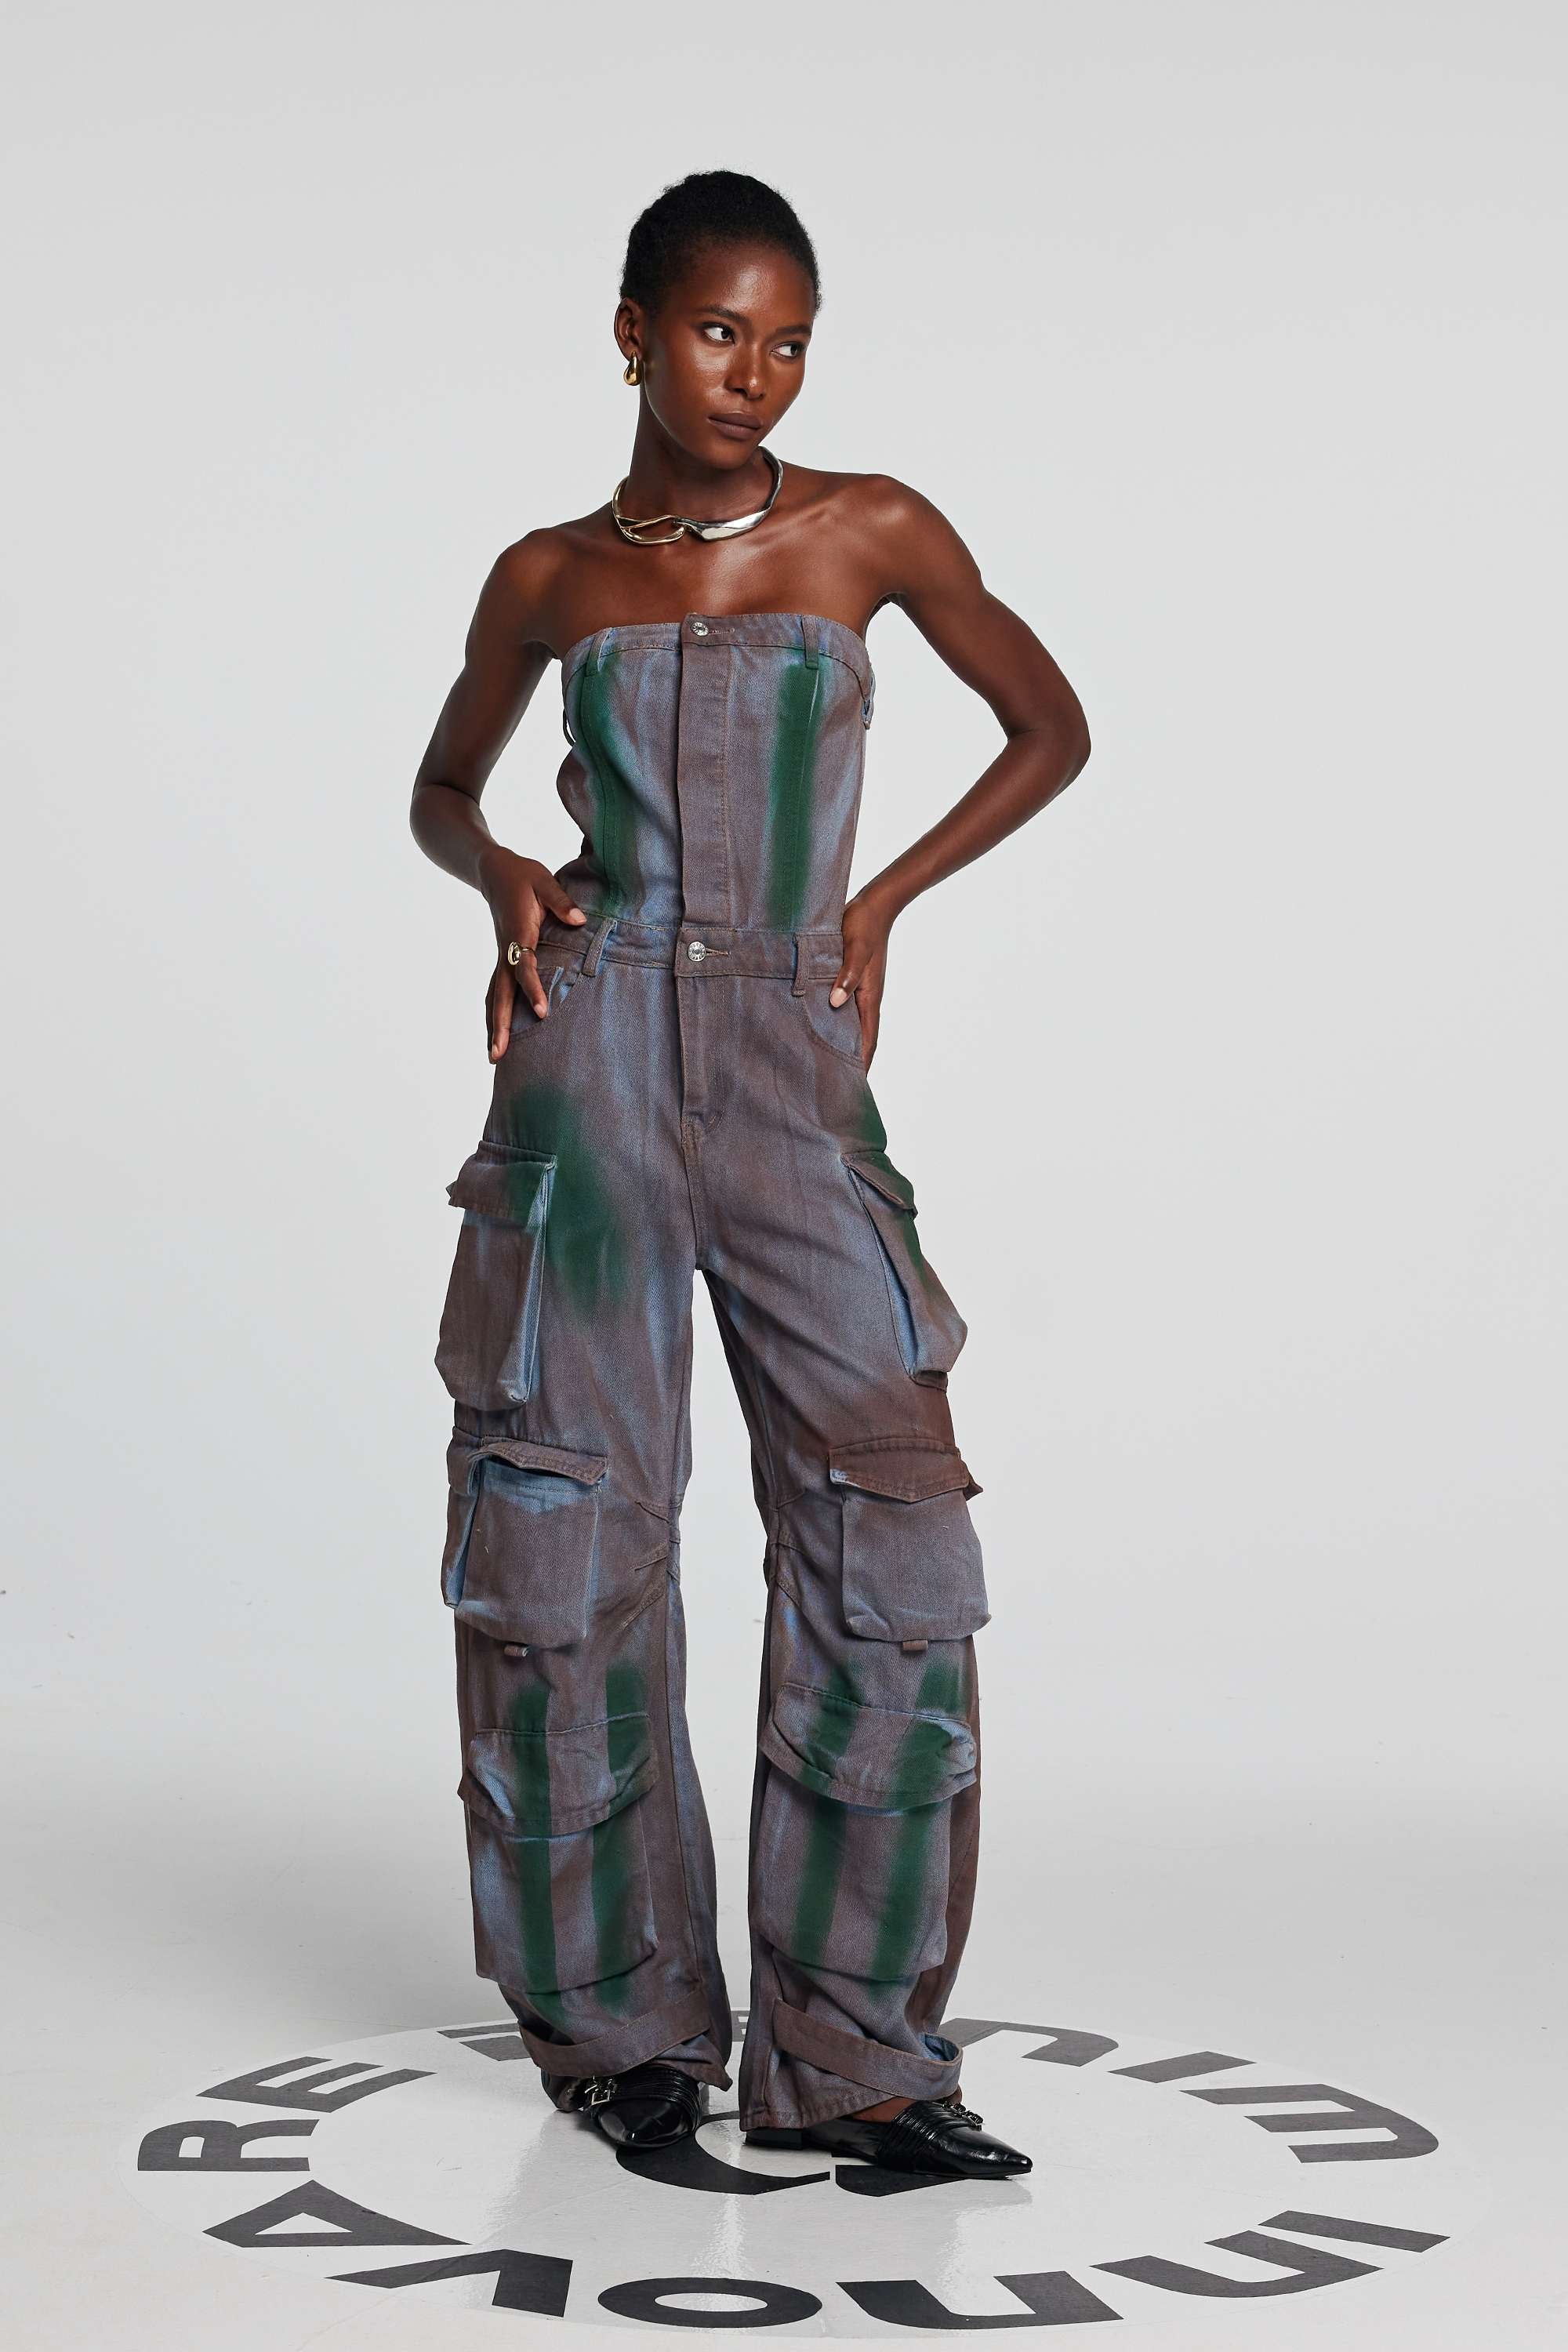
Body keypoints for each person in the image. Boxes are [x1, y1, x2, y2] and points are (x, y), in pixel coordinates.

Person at [409, 169, 1091, 2179]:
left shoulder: (869, 529)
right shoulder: (547, 574)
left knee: (889, 1531)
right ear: (633, 332)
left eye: (787, 341)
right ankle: (615, 2030)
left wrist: (878, 901)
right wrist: (499, 871)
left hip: (795, 1056)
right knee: (568, 1542)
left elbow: (1049, 726)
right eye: (719, 331)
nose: (754, 373)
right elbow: (440, 786)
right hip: (592, 1062)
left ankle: (858, 2056)